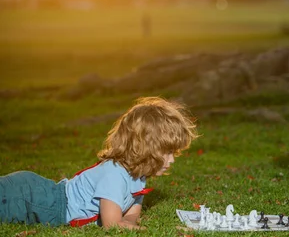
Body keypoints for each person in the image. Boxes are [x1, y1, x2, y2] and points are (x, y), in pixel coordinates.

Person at [0, 97, 197, 229]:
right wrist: (135, 229)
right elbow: (111, 224)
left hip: (43, 200)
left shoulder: (138, 176)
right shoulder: (114, 175)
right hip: (35, 199)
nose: (172, 160)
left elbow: (130, 214)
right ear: (146, 149)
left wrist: (129, 223)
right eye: (168, 152)